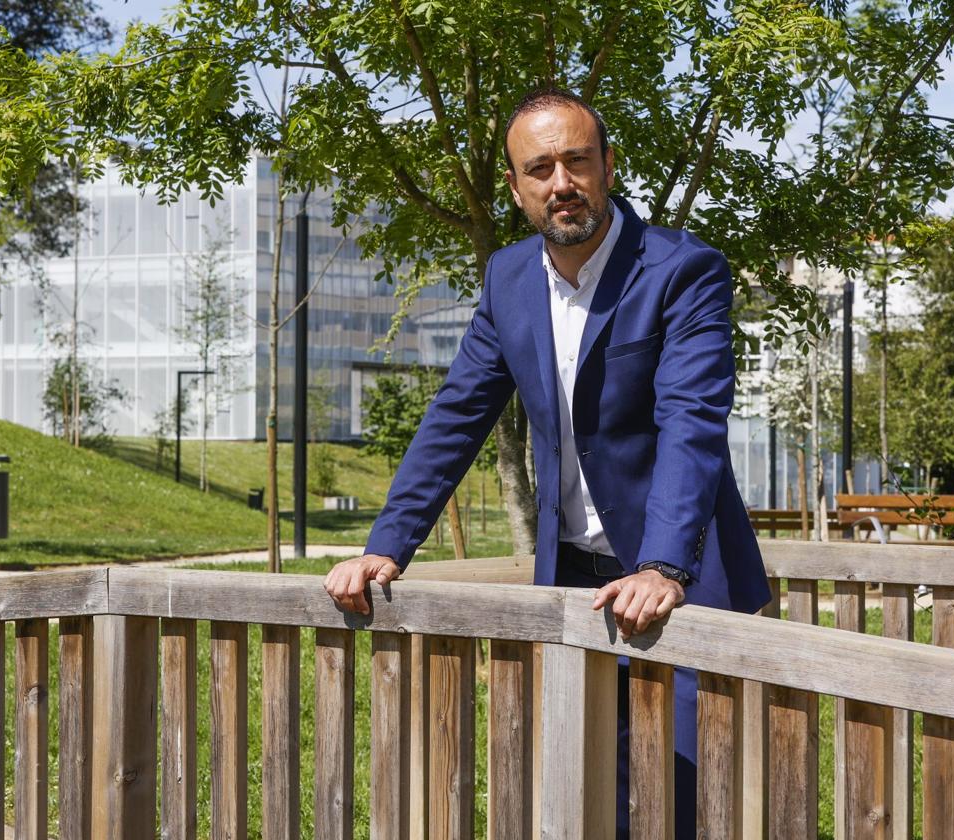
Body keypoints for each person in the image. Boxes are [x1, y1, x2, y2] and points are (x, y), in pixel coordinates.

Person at [323, 87, 771, 839]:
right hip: (569, 586)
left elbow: (691, 421)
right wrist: (384, 546)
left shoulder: (682, 269)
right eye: (540, 168)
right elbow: (458, 413)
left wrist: (663, 566)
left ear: (608, 166)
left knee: (693, 807)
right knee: (584, 797)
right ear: (517, 186)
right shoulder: (507, 278)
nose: (561, 182)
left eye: (577, 160)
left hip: (683, 586)